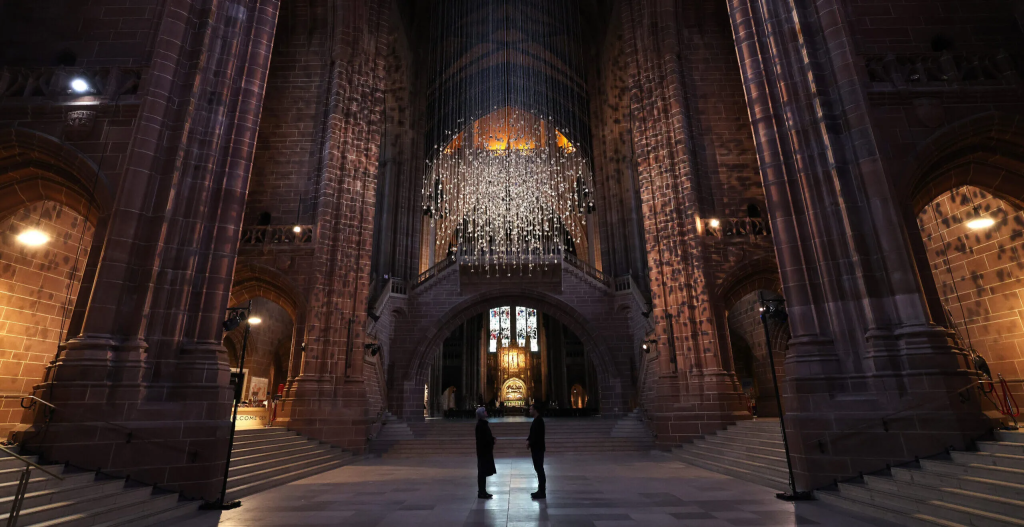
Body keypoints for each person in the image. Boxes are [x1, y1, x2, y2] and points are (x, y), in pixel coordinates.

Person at [475, 406, 496, 499]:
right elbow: (482, 439)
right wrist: (491, 441)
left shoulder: (483, 424)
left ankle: (483, 491)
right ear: (482, 414)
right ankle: (481, 492)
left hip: (485, 451)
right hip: (483, 452)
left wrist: (492, 439)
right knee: (482, 472)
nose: (486, 412)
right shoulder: (480, 425)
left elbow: (486, 436)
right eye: (485, 411)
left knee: (483, 472)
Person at [527, 403, 546, 499]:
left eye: (531, 409)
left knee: (540, 469)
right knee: (538, 469)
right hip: (536, 448)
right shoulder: (536, 420)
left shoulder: (539, 421)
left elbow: (537, 436)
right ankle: (540, 490)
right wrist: (528, 440)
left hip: (538, 448)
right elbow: (532, 433)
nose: (529, 411)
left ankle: (542, 492)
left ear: (535, 410)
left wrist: (530, 442)